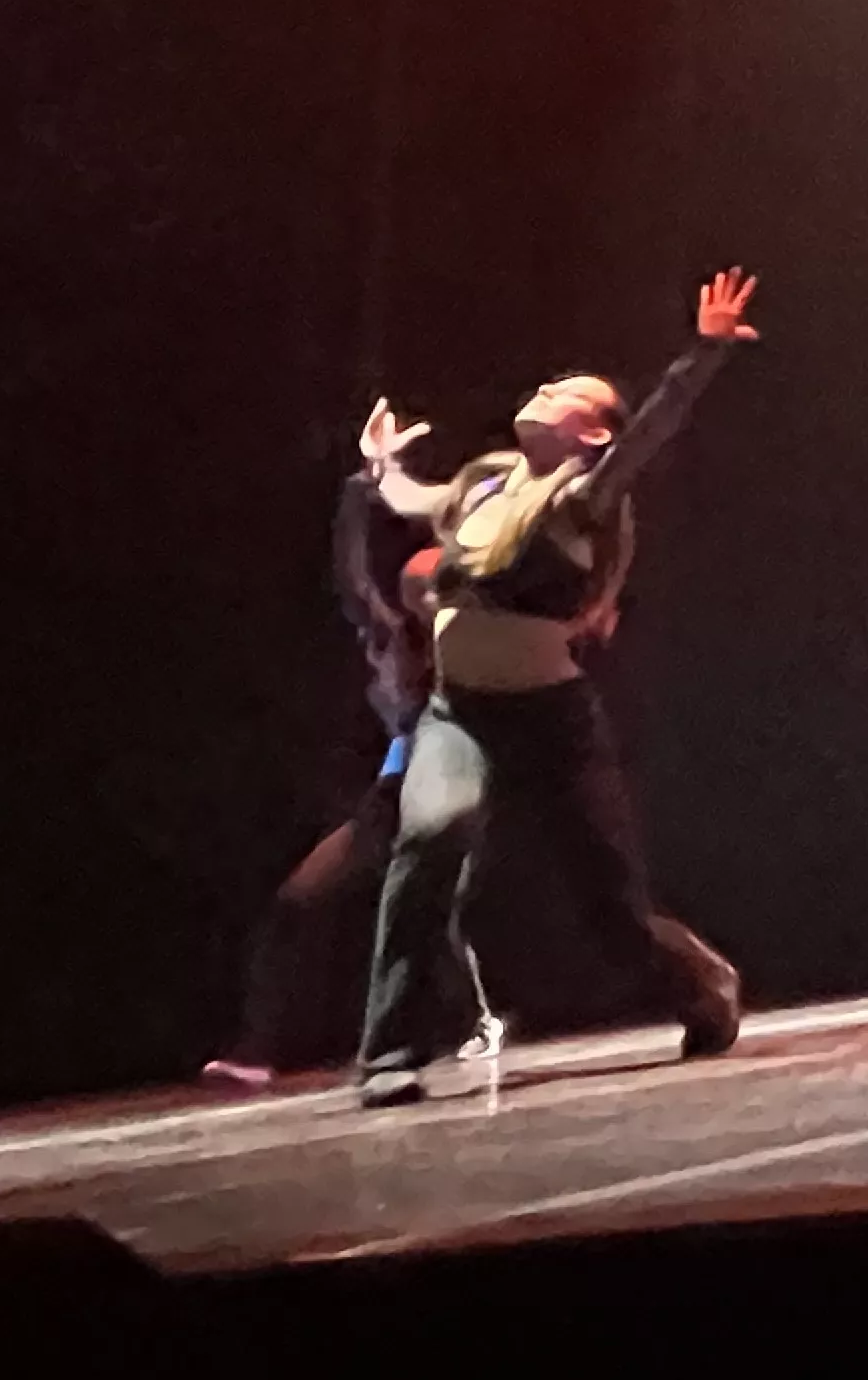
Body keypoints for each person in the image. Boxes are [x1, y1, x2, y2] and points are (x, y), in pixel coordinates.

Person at [349, 271, 761, 1106]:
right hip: (456, 713)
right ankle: (388, 1052)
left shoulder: (582, 499)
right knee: (429, 838)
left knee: (610, 909)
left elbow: (650, 434)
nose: (544, 389)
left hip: (548, 721)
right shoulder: (485, 481)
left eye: (567, 394)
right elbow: (412, 498)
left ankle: (702, 986)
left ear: (592, 435)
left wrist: (703, 354)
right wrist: (378, 468)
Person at [205, 467, 498, 1087]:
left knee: (430, 910)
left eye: (428, 586)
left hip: (455, 782)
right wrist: (354, 503)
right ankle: (257, 1049)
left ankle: (477, 1019)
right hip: (394, 791)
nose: (416, 595)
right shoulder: (389, 640)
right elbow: (351, 580)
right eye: (410, 585)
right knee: (300, 904)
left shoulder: (468, 645)